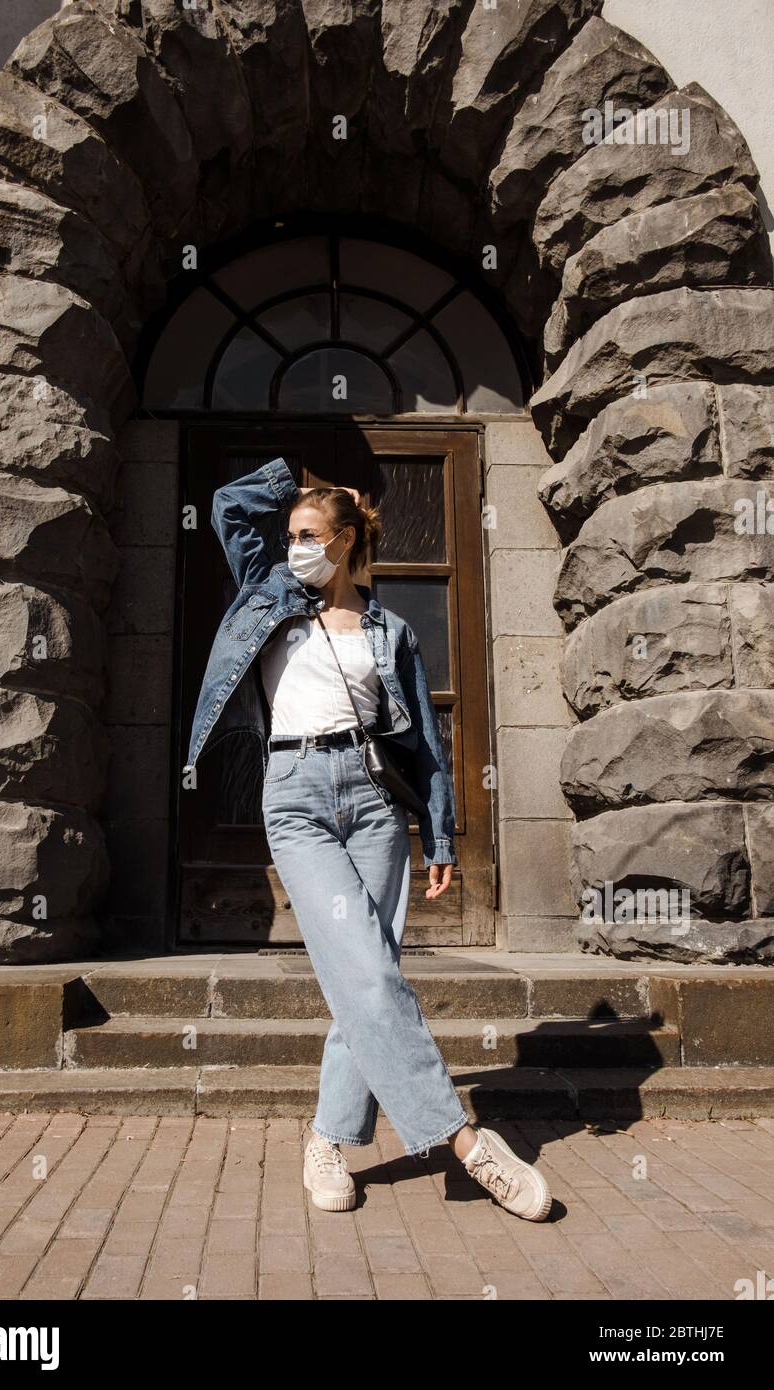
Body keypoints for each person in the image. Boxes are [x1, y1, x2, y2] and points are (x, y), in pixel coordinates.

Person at [186, 456, 551, 1221]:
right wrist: (303, 480)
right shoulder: (269, 593)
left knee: (368, 974)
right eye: (290, 535)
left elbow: (424, 743)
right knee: (367, 971)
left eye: (311, 535)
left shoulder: (390, 630)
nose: (296, 547)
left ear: (347, 541)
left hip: (375, 802)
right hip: (294, 796)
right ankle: (464, 1143)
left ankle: (326, 1138)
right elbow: (227, 503)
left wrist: (441, 836)